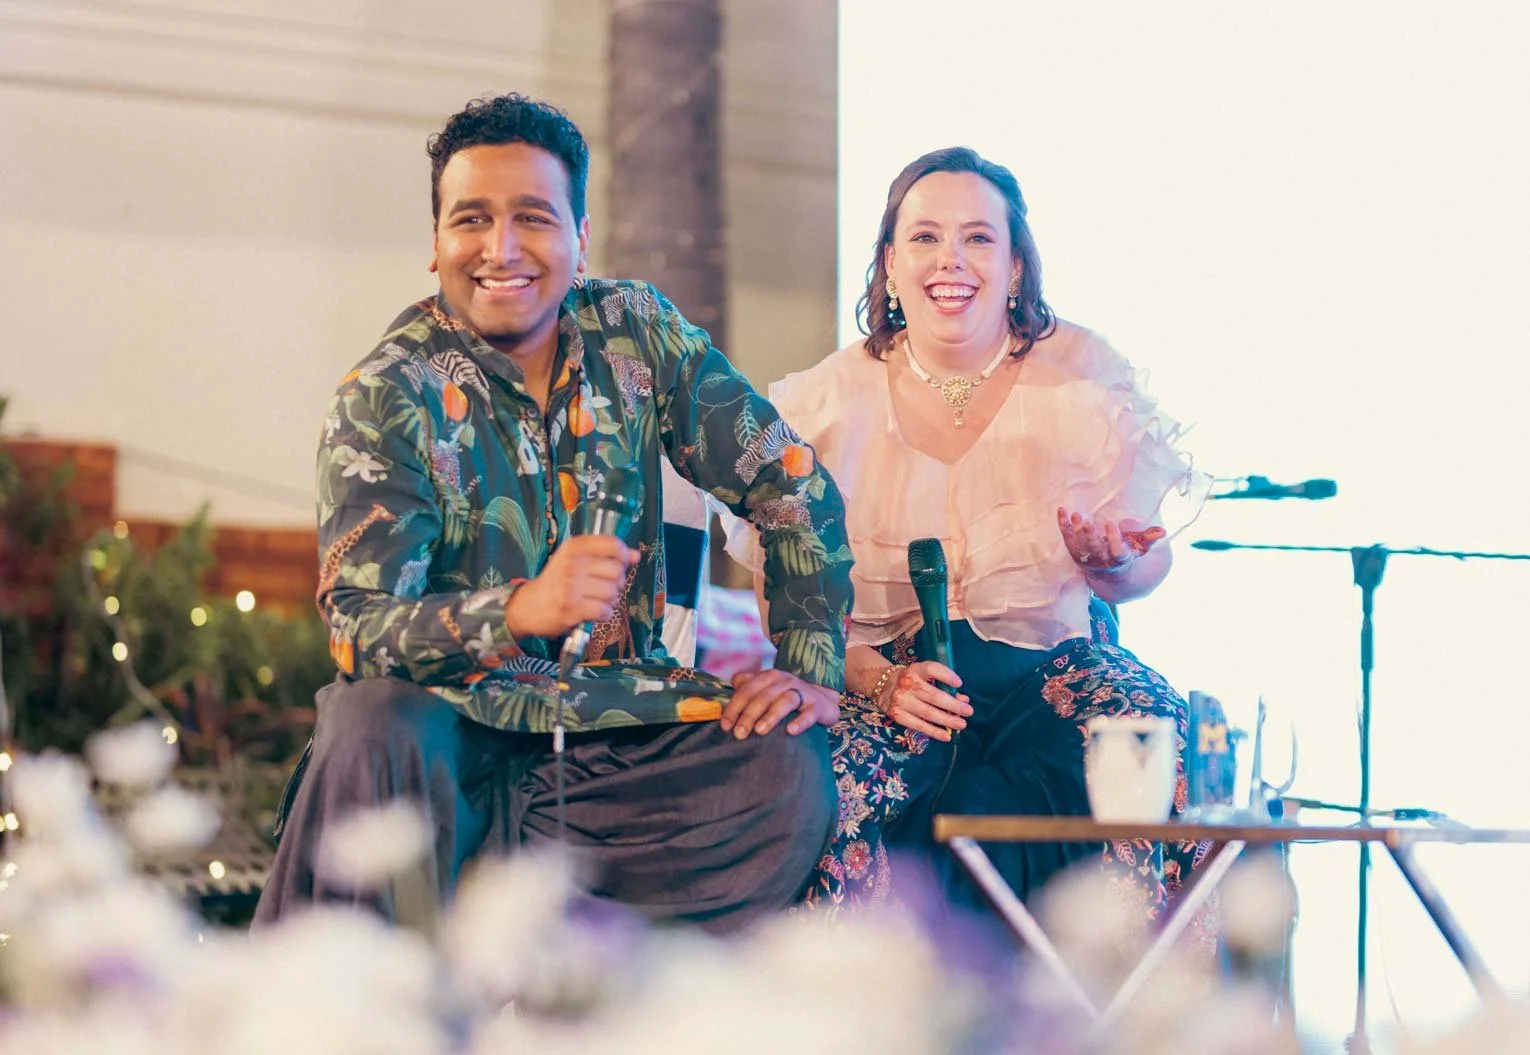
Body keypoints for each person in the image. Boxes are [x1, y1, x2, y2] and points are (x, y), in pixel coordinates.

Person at [254, 93, 853, 934]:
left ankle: (570, 971)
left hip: (611, 743)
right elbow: (360, 626)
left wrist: (809, 671)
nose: (501, 249)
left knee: (781, 763)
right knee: (373, 717)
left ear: (579, 236)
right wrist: (518, 610)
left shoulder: (637, 333)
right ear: (435, 244)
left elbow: (791, 484)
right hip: (446, 749)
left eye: (532, 218)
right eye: (471, 220)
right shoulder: (386, 394)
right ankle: (397, 983)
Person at [729, 147, 1212, 935]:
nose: (950, 259)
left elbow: (1148, 556)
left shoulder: (1085, 376)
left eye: (978, 238)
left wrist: (1117, 564)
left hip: (1051, 673)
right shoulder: (819, 405)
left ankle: (1126, 1008)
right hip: (889, 682)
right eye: (924, 238)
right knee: (824, 786)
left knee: (1150, 737)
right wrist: (876, 682)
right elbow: (781, 598)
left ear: (1016, 266)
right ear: (889, 264)